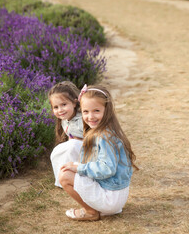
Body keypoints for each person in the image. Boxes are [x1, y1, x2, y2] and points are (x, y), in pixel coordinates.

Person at [59, 84, 138, 221]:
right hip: (115, 195)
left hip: (111, 199)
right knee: (72, 167)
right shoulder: (104, 131)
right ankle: (101, 207)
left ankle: (91, 212)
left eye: (96, 110)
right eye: (85, 111)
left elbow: (107, 168)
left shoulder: (104, 137)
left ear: (106, 111)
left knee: (65, 176)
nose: (91, 116)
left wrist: (79, 168)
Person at [48, 81, 83, 188]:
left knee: (71, 147)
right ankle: (62, 179)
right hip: (79, 149)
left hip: (91, 150)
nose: (60, 110)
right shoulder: (65, 120)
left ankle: (75, 177)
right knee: (57, 151)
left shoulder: (81, 120)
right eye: (56, 107)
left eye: (64, 105)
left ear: (74, 103)